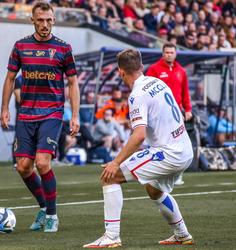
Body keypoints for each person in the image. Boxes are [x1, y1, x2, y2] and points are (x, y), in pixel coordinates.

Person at [83, 49, 194, 248]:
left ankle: (111, 236)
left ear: (120, 72)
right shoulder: (158, 82)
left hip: (169, 152)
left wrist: (115, 162)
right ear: (141, 67)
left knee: (110, 175)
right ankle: (182, 234)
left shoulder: (137, 95)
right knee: (154, 189)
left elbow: (139, 135)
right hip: (185, 148)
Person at [0, 1, 80, 233]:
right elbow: (9, 78)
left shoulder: (64, 48)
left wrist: (74, 115)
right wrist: (5, 108)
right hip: (25, 114)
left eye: (48, 20)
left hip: (52, 113)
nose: (45, 24)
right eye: (40, 20)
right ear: (33, 20)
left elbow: (73, 82)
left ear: (53, 20)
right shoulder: (20, 46)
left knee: (42, 162)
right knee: (24, 167)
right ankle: (44, 208)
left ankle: (53, 216)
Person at [146, 42, 193, 185]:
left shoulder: (181, 71)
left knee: (179, 143)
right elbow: (146, 91)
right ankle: (155, 172)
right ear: (162, 53)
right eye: (167, 52)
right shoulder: (154, 69)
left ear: (175, 54)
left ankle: (177, 175)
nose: (169, 55)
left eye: (171, 52)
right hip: (158, 114)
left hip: (176, 113)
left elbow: (185, 92)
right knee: (159, 142)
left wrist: (188, 109)